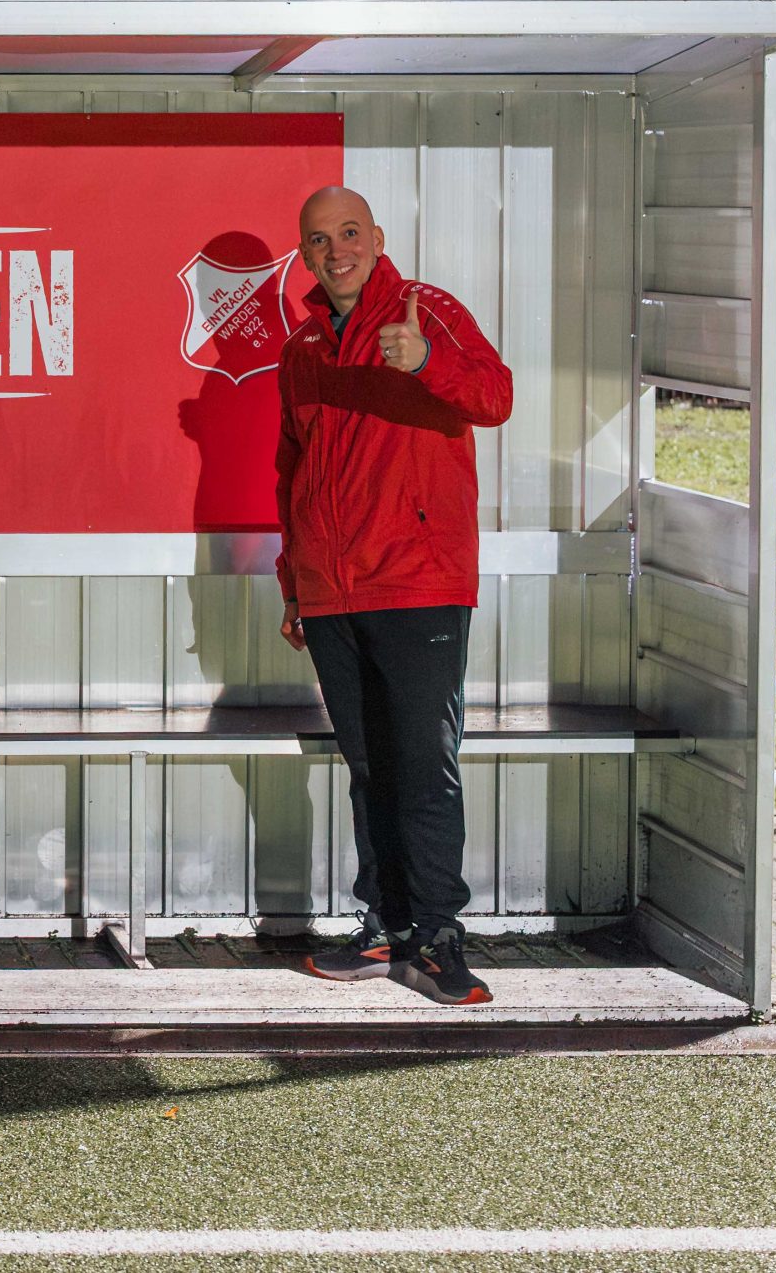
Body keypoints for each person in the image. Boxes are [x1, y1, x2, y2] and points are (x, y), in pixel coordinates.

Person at [276, 186, 513, 1007]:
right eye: (318, 239)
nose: (335, 250)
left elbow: (495, 397)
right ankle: (384, 928)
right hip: (331, 592)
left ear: (376, 238)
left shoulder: (426, 311)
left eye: (348, 232)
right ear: (304, 255)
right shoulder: (302, 346)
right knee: (370, 765)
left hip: (417, 581)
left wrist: (424, 361)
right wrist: (296, 581)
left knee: (422, 763)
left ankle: (438, 935)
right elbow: (291, 470)